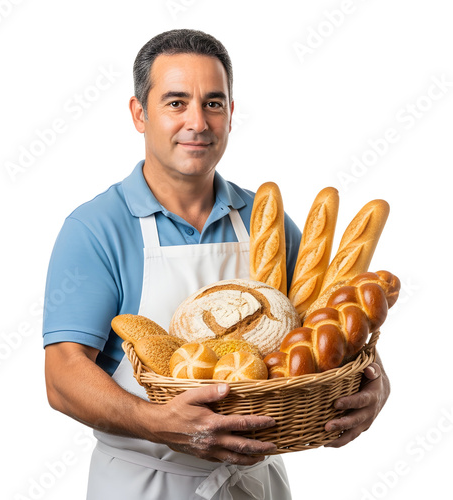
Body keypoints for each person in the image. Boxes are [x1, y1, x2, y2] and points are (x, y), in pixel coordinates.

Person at [43, 29, 391, 500]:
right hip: (145, 485)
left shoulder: (261, 217)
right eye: (175, 102)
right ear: (139, 114)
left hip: (256, 483)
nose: (197, 122)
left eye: (213, 103)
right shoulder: (96, 228)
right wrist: (158, 423)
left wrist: (374, 382)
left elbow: (323, 325)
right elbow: (63, 375)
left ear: (231, 113)